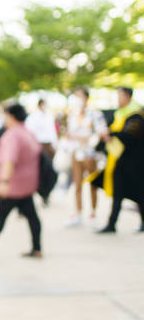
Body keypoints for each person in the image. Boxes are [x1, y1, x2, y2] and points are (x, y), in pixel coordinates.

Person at [0, 104, 43, 258]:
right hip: (26, 184)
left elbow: (9, 160)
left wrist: (4, 182)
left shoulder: (13, 135)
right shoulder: (28, 133)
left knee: (0, 217)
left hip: (12, 185)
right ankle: (37, 248)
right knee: (32, 217)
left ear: (10, 116)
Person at [92, 87, 144, 233]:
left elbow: (130, 135)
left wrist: (111, 134)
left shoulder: (136, 115)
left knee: (139, 193)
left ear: (127, 96)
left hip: (135, 161)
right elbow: (109, 131)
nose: (118, 99)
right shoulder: (117, 114)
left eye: (120, 95)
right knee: (118, 192)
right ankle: (111, 224)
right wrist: (104, 137)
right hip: (118, 160)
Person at [64, 88, 107, 227]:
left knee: (92, 183)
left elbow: (101, 131)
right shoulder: (73, 114)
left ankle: (93, 212)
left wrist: (85, 137)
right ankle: (78, 212)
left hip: (90, 153)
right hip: (76, 152)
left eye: (80, 96)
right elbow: (70, 133)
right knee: (77, 184)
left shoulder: (95, 114)